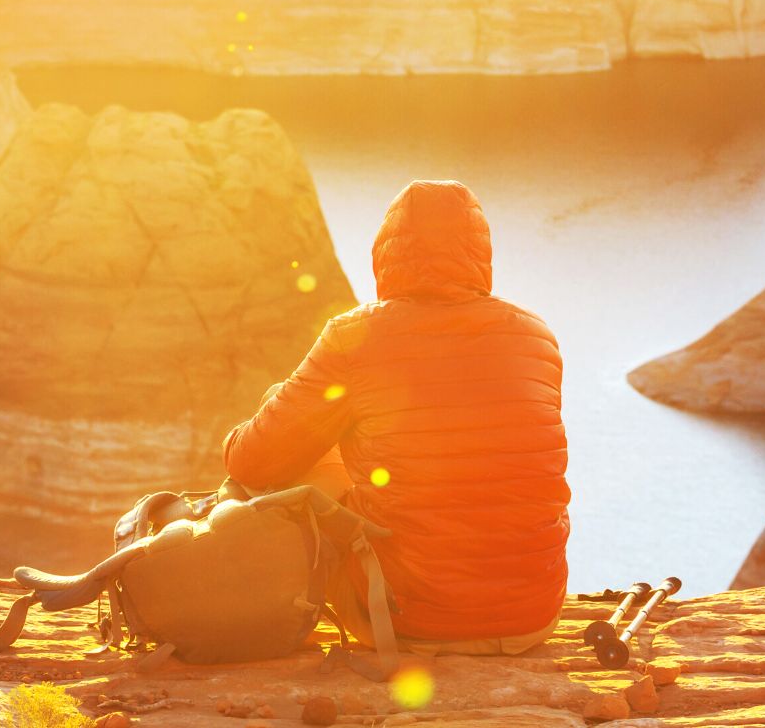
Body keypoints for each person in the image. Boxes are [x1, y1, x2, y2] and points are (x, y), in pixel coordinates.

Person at [221, 180, 569, 655]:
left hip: (411, 621)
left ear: (385, 255)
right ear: (480, 252)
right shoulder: (535, 337)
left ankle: (231, 606)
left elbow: (250, 464)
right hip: (533, 617)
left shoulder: (353, 337)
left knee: (288, 419)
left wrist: (268, 415)